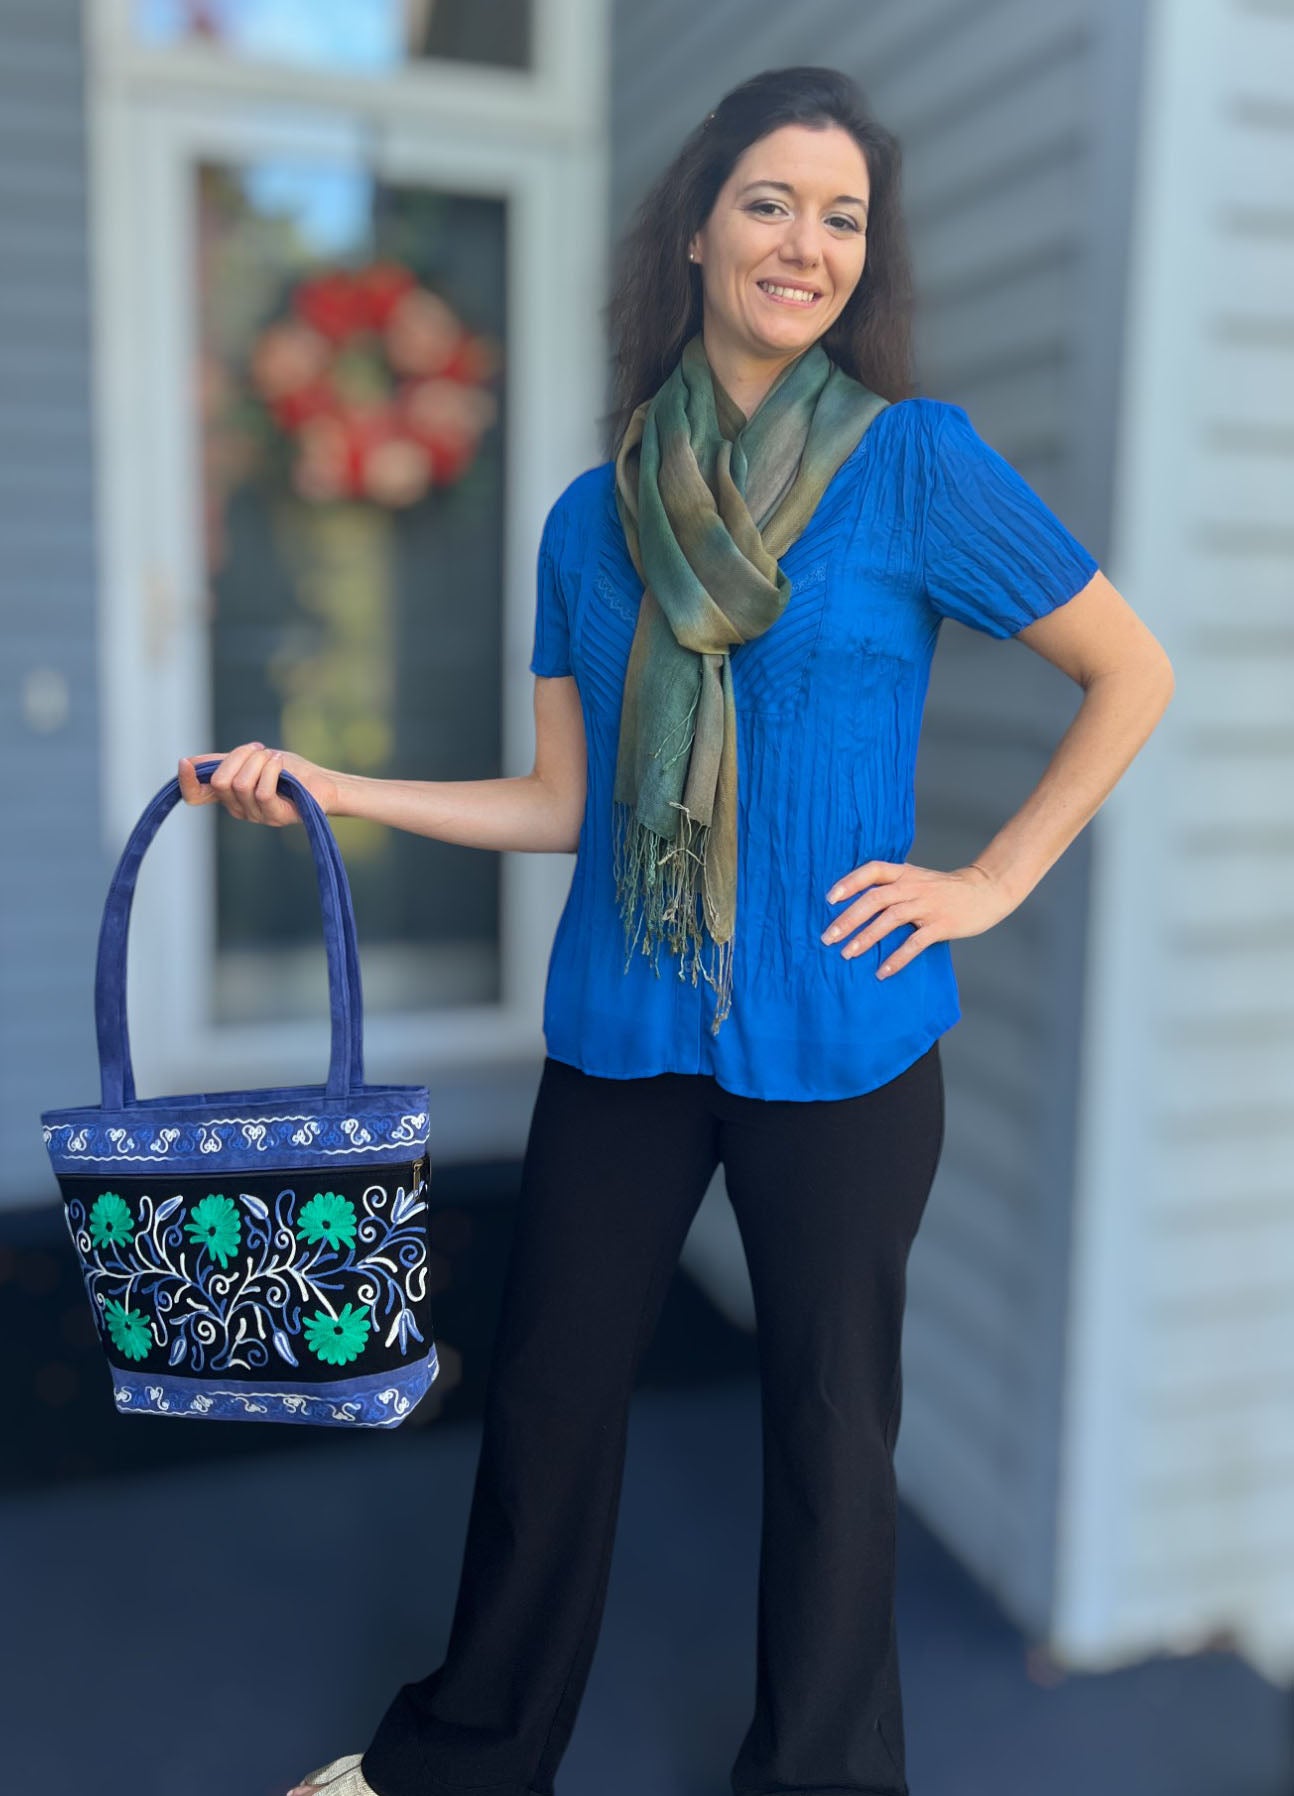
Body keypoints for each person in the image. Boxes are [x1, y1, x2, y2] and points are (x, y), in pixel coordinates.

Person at [179, 65, 1174, 1796]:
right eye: (770, 203)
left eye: (842, 218)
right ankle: (464, 1762)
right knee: (549, 1410)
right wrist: (336, 785)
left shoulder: (915, 465)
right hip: (627, 1026)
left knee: (829, 1444)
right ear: (698, 231)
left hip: (847, 1034)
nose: (805, 244)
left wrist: (989, 881)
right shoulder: (594, 517)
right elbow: (559, 798)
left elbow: (1127, 670)